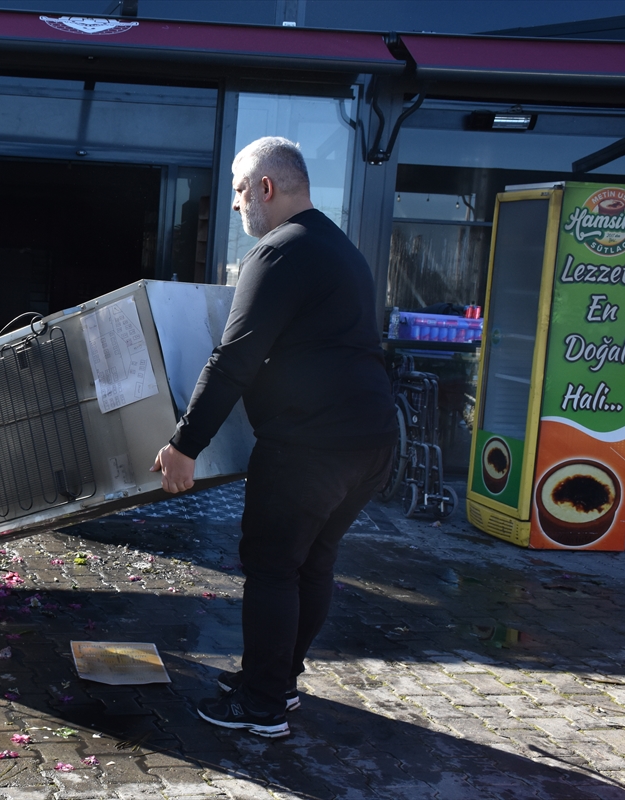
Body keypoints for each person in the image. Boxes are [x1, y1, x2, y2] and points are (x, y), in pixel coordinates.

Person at [151, 137, 397, 738]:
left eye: (238, 192)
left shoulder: (280, 251)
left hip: (311, 446)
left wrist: (186, 445)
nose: (236, 206)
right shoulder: (337, 247)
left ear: (266, 187)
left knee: (271, 568)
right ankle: (278, 684)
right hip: (371, 440)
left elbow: (233, 358)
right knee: (310, 564)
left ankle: (260, 706)